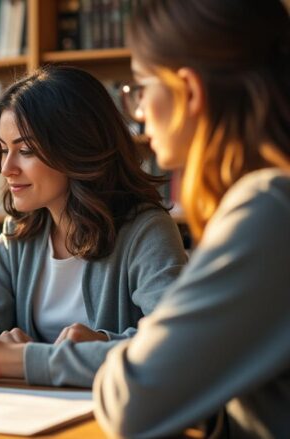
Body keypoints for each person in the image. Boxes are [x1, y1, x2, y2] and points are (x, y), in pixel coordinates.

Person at [0, 65, 188, 388]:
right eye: (4, 149)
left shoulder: (146, 231)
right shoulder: (21, 233)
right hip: (31, 406)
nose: (7, 168)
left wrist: (101, 341)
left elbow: (178, 344)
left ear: (77, 148)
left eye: (25, 151)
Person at [90, 0, 290, 437]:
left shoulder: (270, 210)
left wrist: (120, 350)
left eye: (141, 87)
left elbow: (133, 403)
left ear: (189, 92)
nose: (138, 112)